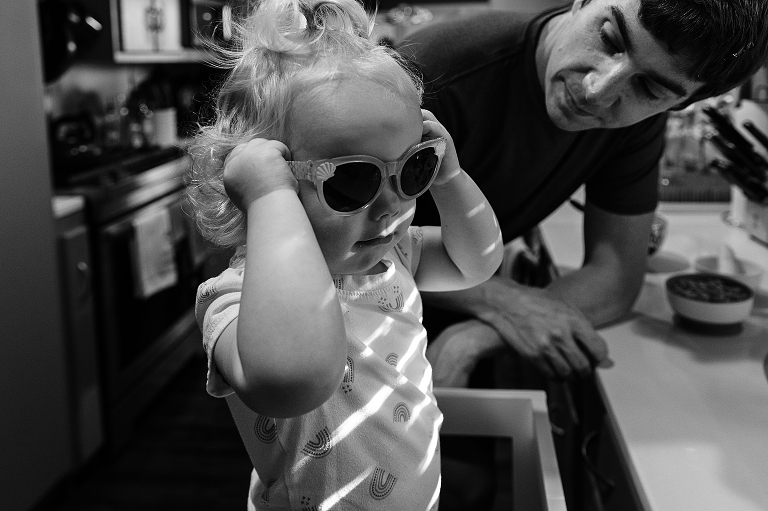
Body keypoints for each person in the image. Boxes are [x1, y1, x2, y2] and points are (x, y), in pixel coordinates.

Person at [396, 0, 768, 507]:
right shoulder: (436, 74)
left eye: (651, 88)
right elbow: (337, 248)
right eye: (610, 37)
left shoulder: (637, 117)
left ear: (679, 105)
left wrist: (476, 332)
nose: (598, 89)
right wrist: (501, 302)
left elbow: (616, 275)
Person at [184, 0, 504, 508]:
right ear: (266, 180)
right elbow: (297, 379)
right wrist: (269, 199)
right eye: (354, 179)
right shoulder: (237, 302)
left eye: (413, 167)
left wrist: (450, 176)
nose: (393, 206)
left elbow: (478, 261)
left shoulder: (392, 257)